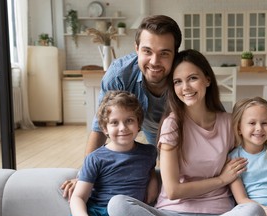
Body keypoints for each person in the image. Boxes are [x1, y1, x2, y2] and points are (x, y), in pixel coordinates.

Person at [107, 49, 267, 216]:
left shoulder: (229, 123)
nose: (186, 88)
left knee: (254, 213)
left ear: (207, 80)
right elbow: (173, 190)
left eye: (192, 78)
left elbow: (255, 155)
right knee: (117, 205)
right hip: (172, 215)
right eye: (178, 82)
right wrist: (220, 179)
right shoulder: (172, 125)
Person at [60, 15, 182, 199]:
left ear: (175, 53)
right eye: (147, 51)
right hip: (146, 123)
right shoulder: (120, 74)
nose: (155, 61)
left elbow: (208, 118)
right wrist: (83, 176)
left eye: (164, 53)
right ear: (136, 49)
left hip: (181, 127)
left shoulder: (186, 72)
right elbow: (100, 127)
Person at [36, 91, 158, 216]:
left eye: (129, 120)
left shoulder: (149, 153)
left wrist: (152, 180)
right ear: (104, 128)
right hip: (92, 210)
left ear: (139, 124)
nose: (122, 128)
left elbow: (150, 171)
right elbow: (78, 197)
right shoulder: (96, 158)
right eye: (114, 123)